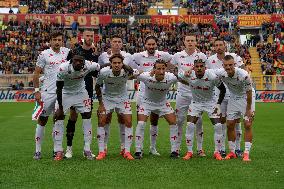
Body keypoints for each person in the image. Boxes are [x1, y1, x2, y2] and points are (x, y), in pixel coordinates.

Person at [54, 47, 100, 161]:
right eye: (76, 60)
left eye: (81, 61)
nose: (79, 62)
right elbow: (59, 88)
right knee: (59, 117)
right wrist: (60, 107)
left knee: (87, 116)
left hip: (81, 92)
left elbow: (100, 67)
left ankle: (87, 149)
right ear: (71, 60)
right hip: (65, 93)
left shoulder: (88, 65)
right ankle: (59, 150)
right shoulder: (63, 68)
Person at [132, 35, 173, 156]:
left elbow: (172, 64)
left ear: (156, 45)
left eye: (153, 44)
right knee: (141, 122)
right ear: (145, 45)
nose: (151, 46)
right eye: (149, 44)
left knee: (154, 121)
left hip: (157, 93)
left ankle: (153, 147)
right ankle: (139, 149)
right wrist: (140, 73)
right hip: (143, 94)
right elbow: (132, 70)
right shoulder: (137, 56)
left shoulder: (164, 55)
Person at [33, 31, 70, 160]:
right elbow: (36, 74)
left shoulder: (67, 52)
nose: (57, 42)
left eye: (59, 40)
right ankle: (37, 150)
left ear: (62, 41)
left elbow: (79, 58)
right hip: (46, 92)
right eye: (54, 39)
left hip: (62, 94)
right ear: (50, 41)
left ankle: (56, 150)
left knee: (58, 120)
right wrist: (37, 91)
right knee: (42, 120)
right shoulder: (44, 54)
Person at [179, 59, 226, 161]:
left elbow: (223, 89)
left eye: (201, 66)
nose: (199, 68)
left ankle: (217, 152)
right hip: (196, 103)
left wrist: (218, 104)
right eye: (197, 66)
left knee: (218, 126)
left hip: (211, 103)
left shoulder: (212, 77)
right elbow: (178, 77)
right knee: (190, 125)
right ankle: (190, 151)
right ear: (193, 68)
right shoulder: (188, 75)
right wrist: (186, 79)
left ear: (205, 67)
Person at [206, 38, 245, 157]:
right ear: (214, 47)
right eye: (216, 45)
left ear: (225, 46)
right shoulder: (210, 60)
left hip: (234, 93)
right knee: (221, 121)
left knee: (236, 121)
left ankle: (237, 148)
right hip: (219, 94)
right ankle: (222, 148)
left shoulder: (234, 56)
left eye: (220, 45)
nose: (218, 47)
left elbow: (243, 70)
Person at [95, 54, 138, 160]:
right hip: (107, 99)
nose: (117, 65)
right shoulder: (104, 72)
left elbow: (135, 72)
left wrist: (128, 67)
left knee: (128, 121)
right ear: (111, 64)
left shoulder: (126, 71)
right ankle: (102, 150)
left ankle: (126, 151)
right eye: (114, 63)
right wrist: (100, 104)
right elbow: (97, 86)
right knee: (102, 121)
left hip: (123, 99)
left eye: (119, 63)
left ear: (122, 64)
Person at [134, 59, 179, 159]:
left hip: (162, 103)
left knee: (173, 123)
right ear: (154, 70)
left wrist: (176, 70)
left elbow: (183, 77)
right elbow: (131, 74)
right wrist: (138, 72)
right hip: (146, 103)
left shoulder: (170, 77)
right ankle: (138, 150)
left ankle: (174, 151)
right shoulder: (146, 76)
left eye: (163, 68)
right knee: (141, 123)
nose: (161, 71)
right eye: (158, 69)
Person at [64, 29, 99, 159]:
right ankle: (69, 149)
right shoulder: (74, 51)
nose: (89, 38)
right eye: (87, 36)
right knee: (73, 117)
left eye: (91, 36)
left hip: (87, 89)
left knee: (87, 117)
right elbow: (67, 68)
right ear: (82, 37)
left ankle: (87, 149)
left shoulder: (95, 53)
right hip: (73, 89)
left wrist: (96, 56)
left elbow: (96, 73)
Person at [171, 34, 207, 156]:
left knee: (199, 121)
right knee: (179, 120)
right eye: (188, 40)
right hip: (182, 93)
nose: (190, 42)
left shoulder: (202, 56)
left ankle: (200, 148)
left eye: (192, 40)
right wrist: (181, 74)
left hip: (197, 93)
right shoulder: (177, 56)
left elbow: (204, 71)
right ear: (184, 42)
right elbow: (172, 69)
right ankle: (176, 148)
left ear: (196, 42)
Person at [97, 34, 134, 154]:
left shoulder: (128, 55)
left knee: (124, 120)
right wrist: (111, 63)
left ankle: (124, 148)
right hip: (108, 94)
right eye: (115, 41)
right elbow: (99, 68)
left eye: (119, 41)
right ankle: (104, 149)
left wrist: (118, 63)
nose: (117, 43)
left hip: (122, 94)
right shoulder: (103, 55)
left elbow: (130, 71)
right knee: (105, 120)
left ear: (122, 44)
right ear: (110, 43)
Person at [215, 55, 254, 162]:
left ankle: (246, 153)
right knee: (230, 124)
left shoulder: (244, 75)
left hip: (247, 97)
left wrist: (248, 109)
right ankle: (232, 152)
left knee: (247, 124)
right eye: (226, 65)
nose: (228, 67)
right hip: (233, 97)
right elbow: (206, 71)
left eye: (230, 65)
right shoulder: (220, 73)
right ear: (223, 66)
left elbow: (249, 92)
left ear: (234, 65)